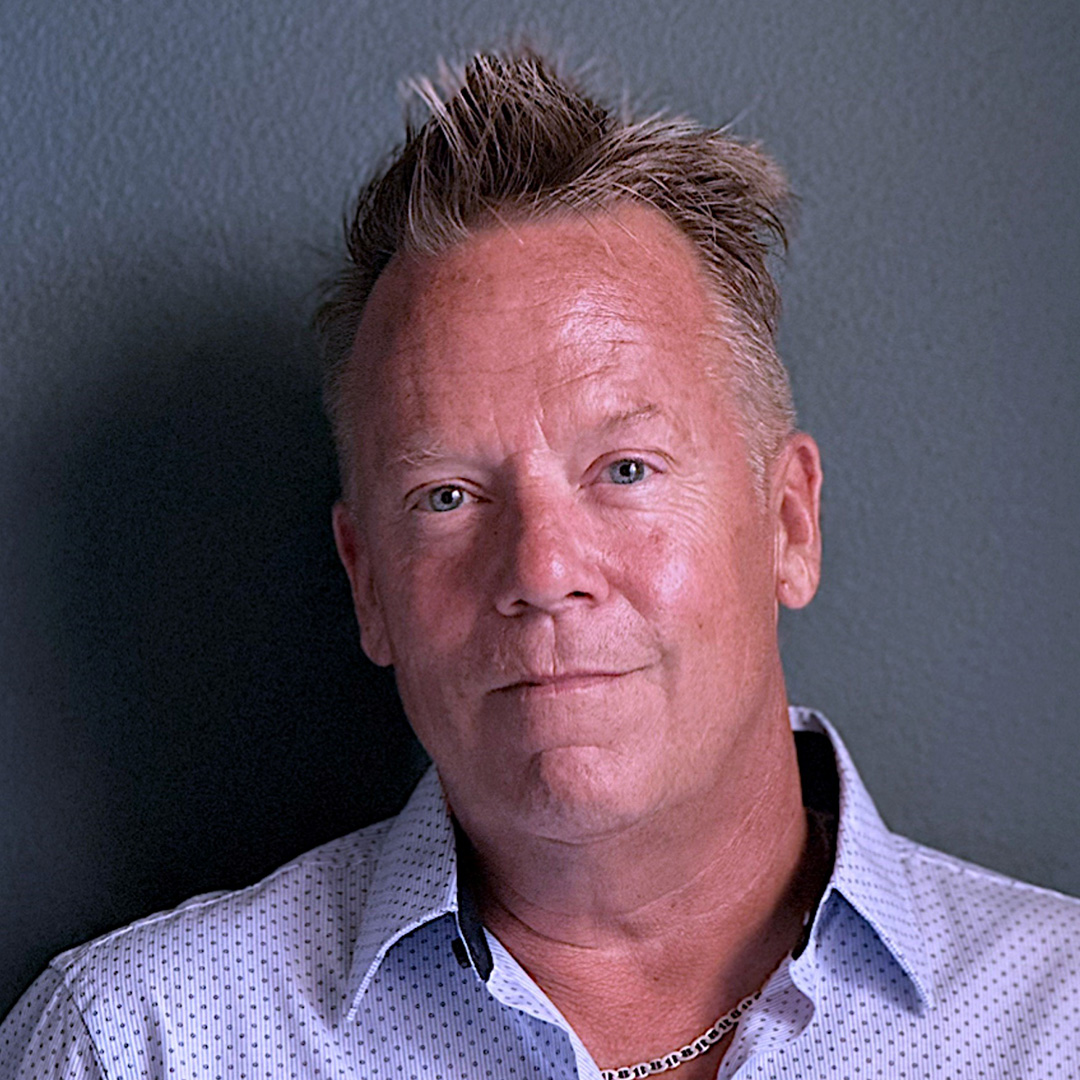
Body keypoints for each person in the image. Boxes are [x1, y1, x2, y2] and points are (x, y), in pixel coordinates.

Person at [2, 47, 1078, 1080]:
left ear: (789, 522)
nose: (542, 569)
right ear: (368, 584)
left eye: (625, 469)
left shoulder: (1058, 1023)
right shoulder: (140, 1049)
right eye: (447, 497)